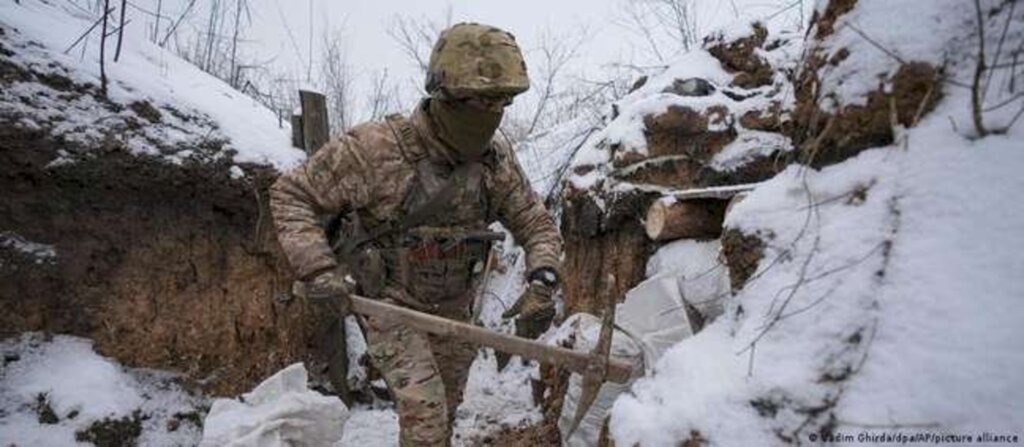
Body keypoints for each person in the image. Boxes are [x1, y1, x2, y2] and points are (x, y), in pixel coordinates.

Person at [269, 22, 564, 446]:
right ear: (443, 94)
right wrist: (318, 270)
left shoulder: (495, 161)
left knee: (443, 418)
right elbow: (292, 194)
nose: (490, 114)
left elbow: (535, 223)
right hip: (391, 306)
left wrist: (543, 278)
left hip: (455, 314)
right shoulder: (376, 149)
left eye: (501, 103)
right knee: (425, 417)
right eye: (477, 102)